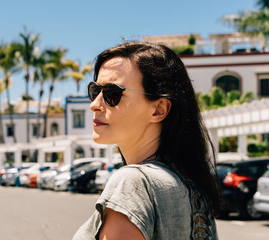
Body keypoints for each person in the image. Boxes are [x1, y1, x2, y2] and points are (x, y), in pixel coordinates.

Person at [72, 41, 220, 240]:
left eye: (112, 94)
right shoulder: (193, 188)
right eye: (94, 91)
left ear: (159, 109)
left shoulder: (133, 182)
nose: (95, 105)